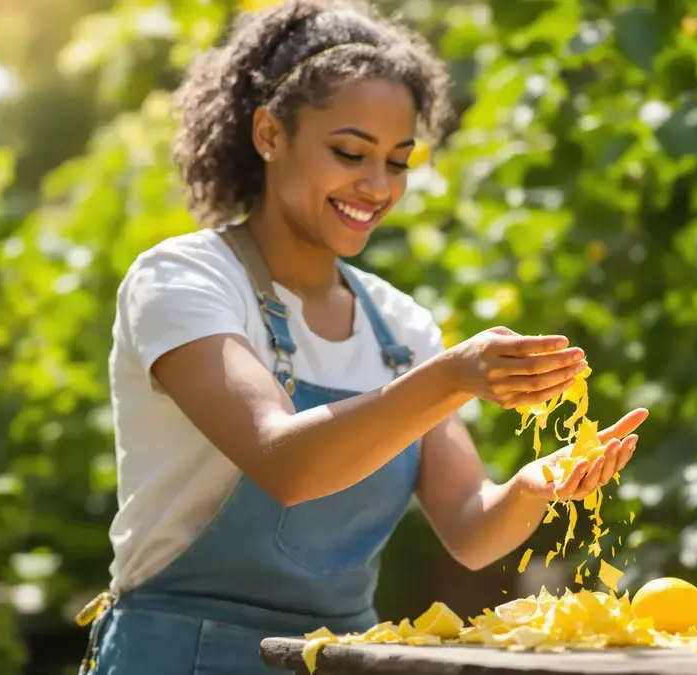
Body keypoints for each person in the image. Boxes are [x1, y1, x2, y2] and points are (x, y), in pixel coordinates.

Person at [77, 1, 648, 672]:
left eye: (399, 161)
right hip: (177, 654)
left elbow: (469, 525)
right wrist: (451, 376)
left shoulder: (398, 326)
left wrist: (537, 486)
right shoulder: (184, 280)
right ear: (269, 133)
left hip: (342, 658)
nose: (377, 186)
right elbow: (285, 462)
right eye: (349, 152)